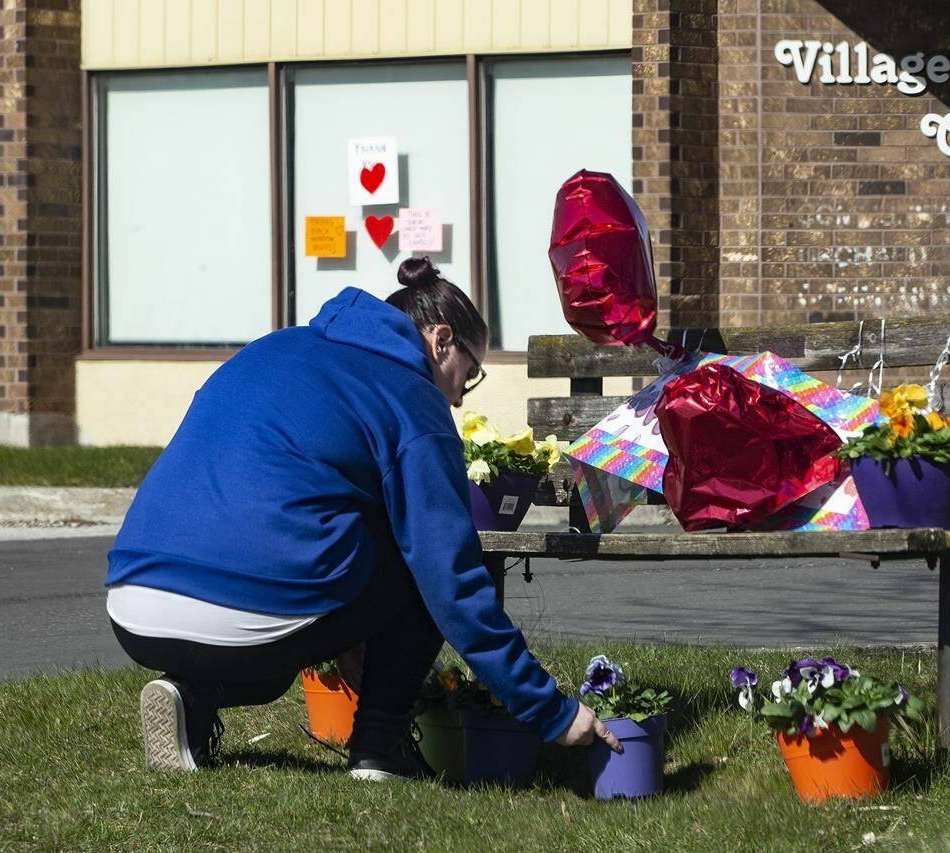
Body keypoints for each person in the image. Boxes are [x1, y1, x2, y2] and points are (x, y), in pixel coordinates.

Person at [105, 257, 620, 780]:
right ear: (441, 341)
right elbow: (452, 579)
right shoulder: (412, 396)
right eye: (468, 374)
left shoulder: (273, 347)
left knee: (269, 664)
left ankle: (191, 695)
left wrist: (354, 628)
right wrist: (550, 710)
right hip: (254, 616)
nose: (460, 397)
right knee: (423, 551)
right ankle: (381, 746)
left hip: (134, 606)